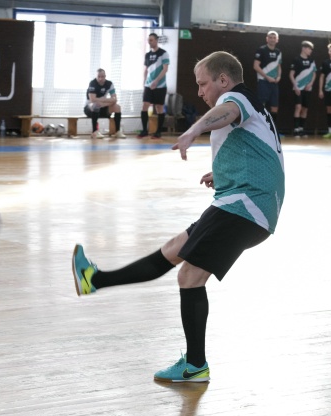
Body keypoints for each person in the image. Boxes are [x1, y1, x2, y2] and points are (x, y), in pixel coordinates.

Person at [72, 51, 285, 383]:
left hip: (245, 206)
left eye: (203, 84)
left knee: (189, 276)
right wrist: (222, 173)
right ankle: (93, 280)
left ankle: (196, 366)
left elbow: (227, 111)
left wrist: (194, 129)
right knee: (174, 250)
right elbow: (258, 150)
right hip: (246, 203)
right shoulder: (253, 104)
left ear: (223, 80)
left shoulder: (235, 98)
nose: (200, 92)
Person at [138, 33, 170, 139]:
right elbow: (146, 69)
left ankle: (158, 132)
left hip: (160, 85)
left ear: (156, 40)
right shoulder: (147, 55)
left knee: (159, 107)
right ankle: (144, 130)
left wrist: (156, 81)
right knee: (145, 105)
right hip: (148, 85)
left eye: (151, 40)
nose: (149, 42)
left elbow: (165, 69)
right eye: (148, 40)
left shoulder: (163, 53)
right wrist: (144, 82)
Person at [84, 68, 126, 139]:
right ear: (96, 76)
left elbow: (114, 99)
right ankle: (94, 132)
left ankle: (117, 131)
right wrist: (105, 100)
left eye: (102, 76)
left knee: (117, 107)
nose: (100, 78)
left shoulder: (109, 84)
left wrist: (104, 103)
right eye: (99, 76)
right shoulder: (92, 83)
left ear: (105, 76)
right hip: (90, 109)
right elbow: (92, 99)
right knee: (96, 105)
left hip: (102, 107)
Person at [289, 40, 316, 138]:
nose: (310, 51)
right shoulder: (296, 59)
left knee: (305, 108)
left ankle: (301, 128)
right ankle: (296, 129)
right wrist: (295, 86)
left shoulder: (312, 61)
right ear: (304, 48)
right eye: (309, 49)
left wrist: (311, 84)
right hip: (298, 88)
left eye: (311, 49)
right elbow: (291, 74)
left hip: (307, 88)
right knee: (298, 107)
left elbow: (314, 74)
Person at [253, 30, 282, 124]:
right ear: (267, 39)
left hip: (274, 83)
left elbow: (279, 66)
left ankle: (273, 128)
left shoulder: (278, 52)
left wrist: (279, 76)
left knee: (275, 106)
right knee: (261, 105)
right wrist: (267, 77)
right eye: (270, 37)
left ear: (277, 40)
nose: (272, 39)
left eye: (274, 38)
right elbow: (256, 66)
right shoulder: (261, 50)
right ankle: (260, 127)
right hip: (263, 81)